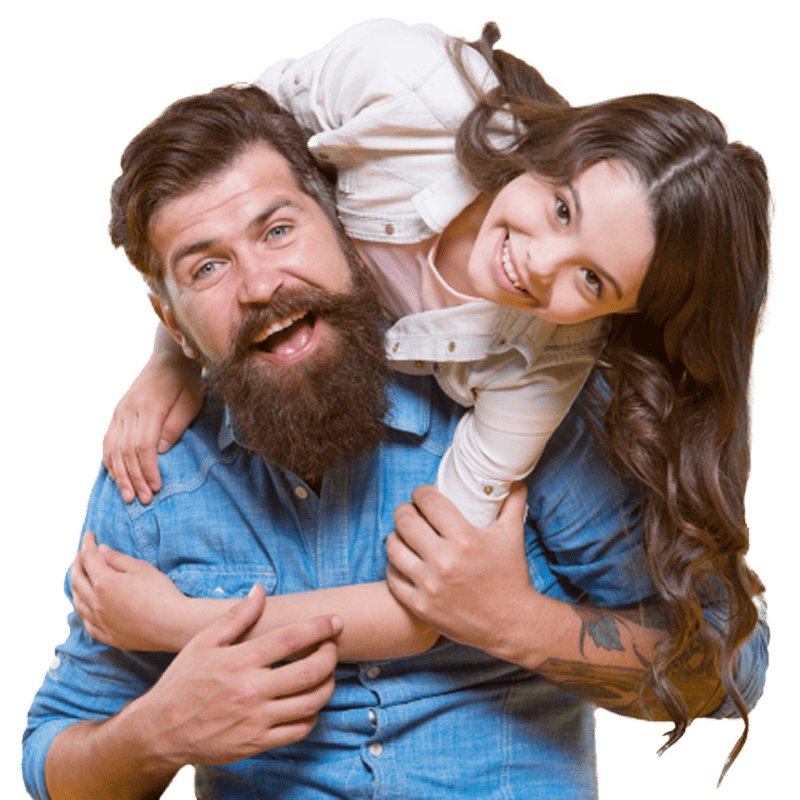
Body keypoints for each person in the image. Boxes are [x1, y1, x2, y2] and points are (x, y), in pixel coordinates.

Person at [21, 21, 771, 800]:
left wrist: (517, 622)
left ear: (338, 223)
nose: (258, 284)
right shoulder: (158, 464)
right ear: (171, 312)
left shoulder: (536, 395)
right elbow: (52, 758)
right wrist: (157, 733)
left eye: (279, 230)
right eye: (207, 268)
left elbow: (724, 664)